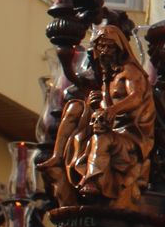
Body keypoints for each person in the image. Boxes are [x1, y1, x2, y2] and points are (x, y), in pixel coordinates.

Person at [39, 24, 155, 208]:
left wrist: (112, 110)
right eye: (102, 46)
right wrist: (97, 103)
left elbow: (136, 98)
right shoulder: (107, 76)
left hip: (131, 135)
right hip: (109, 126)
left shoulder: (130, 72)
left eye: (110, 47)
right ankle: (57, 156)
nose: (105, 51)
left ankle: (92, 180)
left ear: (119, 48)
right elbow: (106, 107)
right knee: (75, 108)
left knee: (101, 140)